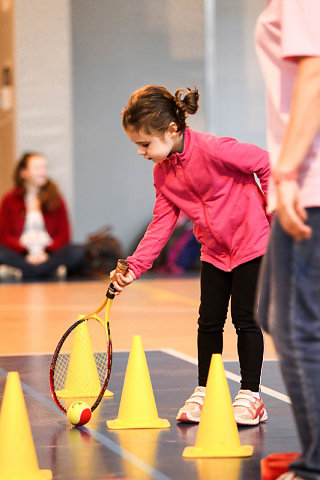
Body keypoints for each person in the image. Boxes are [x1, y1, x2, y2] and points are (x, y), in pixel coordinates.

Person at [110, 84, 271, 425]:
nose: (141, 152)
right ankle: (206, 389)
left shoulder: (215, 149)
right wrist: (134, 267)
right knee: (208, 321)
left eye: (144, 144)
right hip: (214, 250)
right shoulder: (163, 175)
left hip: (251, 244)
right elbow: (161, 224)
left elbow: (265, 163)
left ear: (171, 130)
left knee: (244, 318)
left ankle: (251, 395)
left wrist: (272, 216)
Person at [255, 1, 320, 479]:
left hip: (308, 183)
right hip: (300, 183)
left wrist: (287, 171)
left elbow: (315, 73)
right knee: (273, 313)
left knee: (297, 327)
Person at [0, 152, 84, 280]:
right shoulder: (9, 200)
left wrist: (47, 252)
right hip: (21, 254)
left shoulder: (56, 199)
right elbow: (4, 235)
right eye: (38, 168)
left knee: (76, 252)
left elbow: (64, 235)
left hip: (48, 254)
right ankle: (48, 271)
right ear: (24, 173)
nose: (43, 172)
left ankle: (23, 271)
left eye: (45, 168)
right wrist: (25, 252)